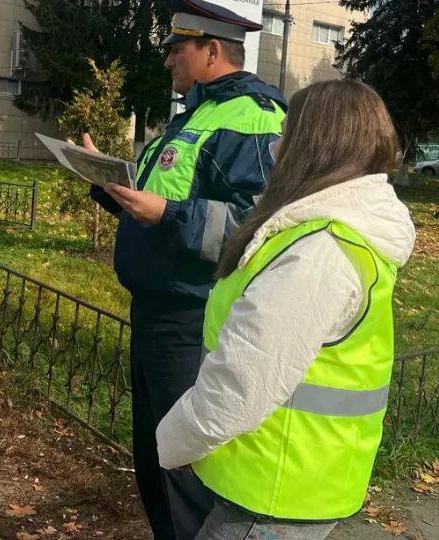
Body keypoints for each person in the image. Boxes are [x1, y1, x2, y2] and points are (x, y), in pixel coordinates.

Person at [156, 80, 416, 540]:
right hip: (289, 478)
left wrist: (172, 441)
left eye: (285, 135)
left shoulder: (319, 251)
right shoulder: (320, 232)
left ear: (313, 147)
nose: (274, 149)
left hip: (272, 496)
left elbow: (243, 383)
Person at [85, 1, 286, 538]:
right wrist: (112, 184)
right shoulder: (194, 114)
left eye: (179, 49)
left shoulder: (255, 116)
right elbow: (164, 203)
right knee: (156, 457)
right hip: (155, 309)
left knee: (184, 467)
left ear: (212, 50)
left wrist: (169, 213)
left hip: (192, 317)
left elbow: (257, 221)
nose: (169, 60)